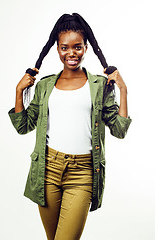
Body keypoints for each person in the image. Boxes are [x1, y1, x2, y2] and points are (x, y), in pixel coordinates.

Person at [8, 13, 131, 240]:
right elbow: (24, 126)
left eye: (77, 47)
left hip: (83, 173)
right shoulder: (45, 85)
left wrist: (123, 90)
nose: (71, 53)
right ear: (57, 49)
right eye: (65, 48)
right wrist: (18, 92)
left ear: (86, 48)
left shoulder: (99, 85)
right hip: (47, 170)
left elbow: (119, 130)